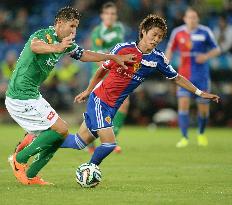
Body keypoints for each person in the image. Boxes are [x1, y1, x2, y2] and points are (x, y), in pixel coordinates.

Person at [16, 14, 219, 178]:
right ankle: (89, 170)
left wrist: (200, 93)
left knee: (77, 143)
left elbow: (177, 78)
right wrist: (88, 91)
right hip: (100, 101)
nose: (156, 40)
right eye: (153, 34)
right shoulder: (123, 49)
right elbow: (102, 70)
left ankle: (35, 138)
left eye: (160, 37)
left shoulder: (158, 60)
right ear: (143, 32)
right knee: (110, 143)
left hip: (112, 107)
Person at [6, 6, 135, 186]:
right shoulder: (46, 36)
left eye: (76, 27)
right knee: (61, 129)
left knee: (58, 135)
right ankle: (19, 160)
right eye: (71, 26)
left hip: (32, 95)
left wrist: (112, 57)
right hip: (19, 95)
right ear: (59, 23)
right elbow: (35, 46)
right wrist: (57, 47)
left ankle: (31, 175)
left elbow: (84, 55)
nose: (74, 31)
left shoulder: (65, 44)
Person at [165, 7, 221, 148]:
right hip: (184, 75)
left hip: (201, 76)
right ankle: (184, 137)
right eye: (190, 17)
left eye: (194, 17)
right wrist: (165, 64)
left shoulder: (205, 31)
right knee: (183, 105)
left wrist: (206, 56)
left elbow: (217, 49)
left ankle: (201, 133)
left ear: (198, 19)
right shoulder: (178, 32)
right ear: (185, 19)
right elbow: (170, 50)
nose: (192, 20)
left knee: (203, 109)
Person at [89, 1, 128, 153]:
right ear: (102, 16)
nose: (110, 17)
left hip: (116, 71)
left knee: (124, 103)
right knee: (99, 108)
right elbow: (99, 57)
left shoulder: (119, 28)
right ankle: (90, 141)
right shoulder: (97, 33)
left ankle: (113, 139)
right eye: (108, 14)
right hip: (102, 72)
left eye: (113, 14)